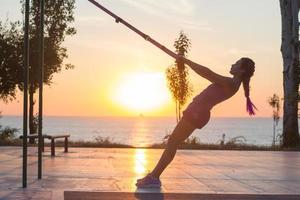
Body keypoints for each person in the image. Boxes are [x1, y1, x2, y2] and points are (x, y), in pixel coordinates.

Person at [135, 57, 257, 188]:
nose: (232, 64)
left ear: (242, 70)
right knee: (173, 142)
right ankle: (154, 176)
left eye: (237, 64)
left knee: (172, 142)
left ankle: (154, 177)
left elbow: (207, 73)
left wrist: (186, 61)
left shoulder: (231, 84)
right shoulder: (231, 83)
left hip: (196, 114)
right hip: (196, 113)